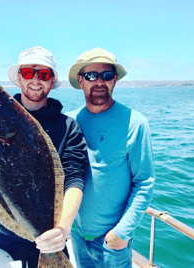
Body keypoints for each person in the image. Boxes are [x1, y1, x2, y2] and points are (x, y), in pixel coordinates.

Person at [0, 46, 88, 268]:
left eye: (43, 74)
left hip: (51, 239)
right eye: (29, 73)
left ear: (52, 82)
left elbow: (74, 177)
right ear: (19, 79)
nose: (35, 80)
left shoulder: (68, 127)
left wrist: (61, 230)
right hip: (4, 238)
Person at [66, 47, 155, 268]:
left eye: (106, 75)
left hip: (112, 242)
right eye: (91, 75)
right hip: (76, 235)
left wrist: (121, 233)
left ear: (115, 80)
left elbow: (144, 182)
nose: (99, 82)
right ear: (81, 80)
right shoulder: (68, 122)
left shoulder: (135, 123)